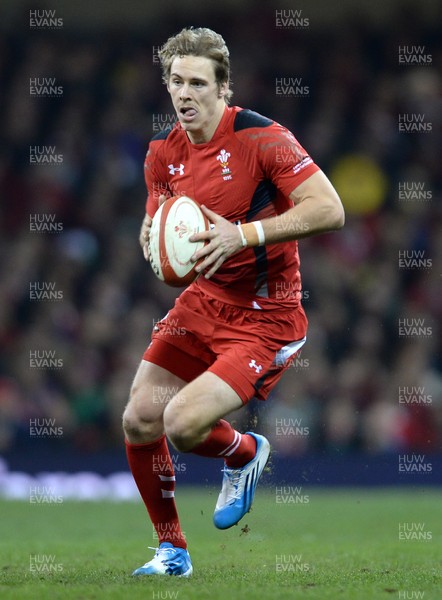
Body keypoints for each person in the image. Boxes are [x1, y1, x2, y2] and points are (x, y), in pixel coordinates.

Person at [123, 26, 344, 577]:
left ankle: (245, 452)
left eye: (198, 82)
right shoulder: (162, 154)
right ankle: (173, 552)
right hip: (203, 302)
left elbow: (329, 210)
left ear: (224, 89)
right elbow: (159, 223)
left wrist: (243, 235)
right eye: (175, 81)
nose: (184, 94)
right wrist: (151, 239)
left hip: (266, 315)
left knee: (181, 424)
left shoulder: (262, 138)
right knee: (139, 419)